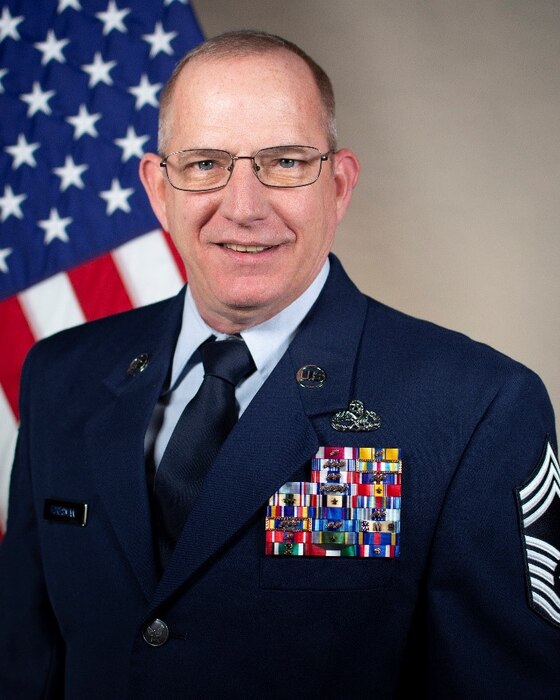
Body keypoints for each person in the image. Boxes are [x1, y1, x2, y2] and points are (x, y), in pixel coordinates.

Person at [0, 29, 558, 699]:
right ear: (158, 188)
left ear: (340, 184)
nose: (243, 207)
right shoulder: (60, 377)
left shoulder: (474, 409)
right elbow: (25, 666)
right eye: (205, 163)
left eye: (286, 162)